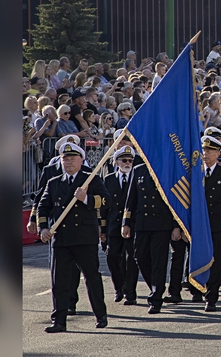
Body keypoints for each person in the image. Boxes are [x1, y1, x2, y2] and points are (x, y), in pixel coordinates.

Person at [36, 142, 110, 332]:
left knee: (92, 278)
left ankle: (100, 315)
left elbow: (106, 201)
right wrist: (43, 228)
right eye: (65, 159)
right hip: (61, 238)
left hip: (84, 238)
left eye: (71, 159)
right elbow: (43, 207)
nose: (68, 162)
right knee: (59, 281)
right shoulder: (54, 183)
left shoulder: (90, 179)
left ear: (81, 160)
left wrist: (86, 198)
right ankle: (59, 321)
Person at [121, 158, 183, 314]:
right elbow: (131, 199)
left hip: (161, 223)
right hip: (142, 223)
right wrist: (126, 222)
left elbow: (175, 201)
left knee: (158, 261)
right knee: (140, 257)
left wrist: (176, 226)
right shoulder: (138, 170)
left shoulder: (168, 170)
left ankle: (156, 298)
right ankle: (156, 286)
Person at [195, 136, 221, 312]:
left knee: (217, 261)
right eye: (204, 150)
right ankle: (197, 289)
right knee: (199, 258)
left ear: (218, 153)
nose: (206, 154)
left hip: (218, 225)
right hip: (199, 225)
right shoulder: (195, 173)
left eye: (210, 150)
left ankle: (211, 297)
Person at [101, 147, 139, 306]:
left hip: (132, 225)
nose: (127, 163)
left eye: (130, 160)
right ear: (116, 162)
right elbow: (104, 206)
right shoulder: (109, 179)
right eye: (124, 160)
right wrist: (102, 229)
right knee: (112, 256)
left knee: (131, 259)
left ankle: (130, 292)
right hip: (114, 225)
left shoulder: (136, 177)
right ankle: (119, 287)